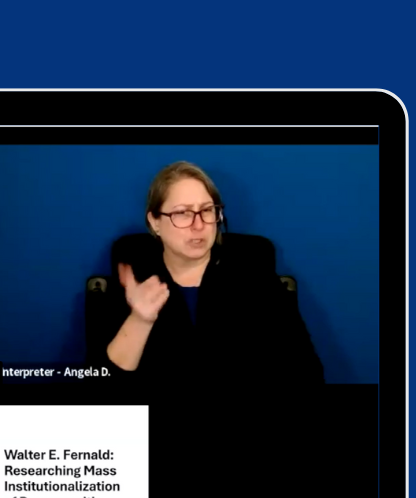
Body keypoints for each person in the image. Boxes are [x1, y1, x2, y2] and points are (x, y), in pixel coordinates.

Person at [105, 161, 323, 384]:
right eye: (183, 213)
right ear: (155, 221)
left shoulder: (254, 272)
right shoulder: (134, 278)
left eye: (207, 210)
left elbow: (307, 371)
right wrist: (140, 320)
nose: (198, 225)